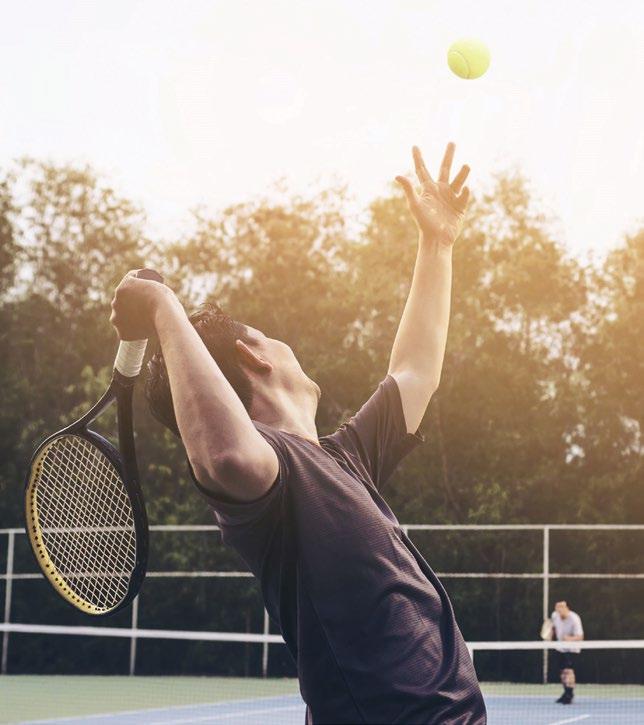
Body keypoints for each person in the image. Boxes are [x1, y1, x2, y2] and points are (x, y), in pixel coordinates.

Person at [110, 143, 487, 724]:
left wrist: (437, 244)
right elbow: (227, 456)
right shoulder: (273, 477)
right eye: (270, 335)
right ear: (253, 357)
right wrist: (165, 311)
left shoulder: (343, 459)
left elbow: (416, 370)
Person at [550, 600, 584, 704]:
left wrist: (568, 638)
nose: (559, 613)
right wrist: (551, 634)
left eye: (561, 610)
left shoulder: (574, 618)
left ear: (566, 609)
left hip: (573, 649)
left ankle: (570, 694)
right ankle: (566, 693)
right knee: (562, 672)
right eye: (558, 610)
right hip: (560, 647)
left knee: (568, 671)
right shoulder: (555, 615)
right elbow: (554, 627)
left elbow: (580, 637)